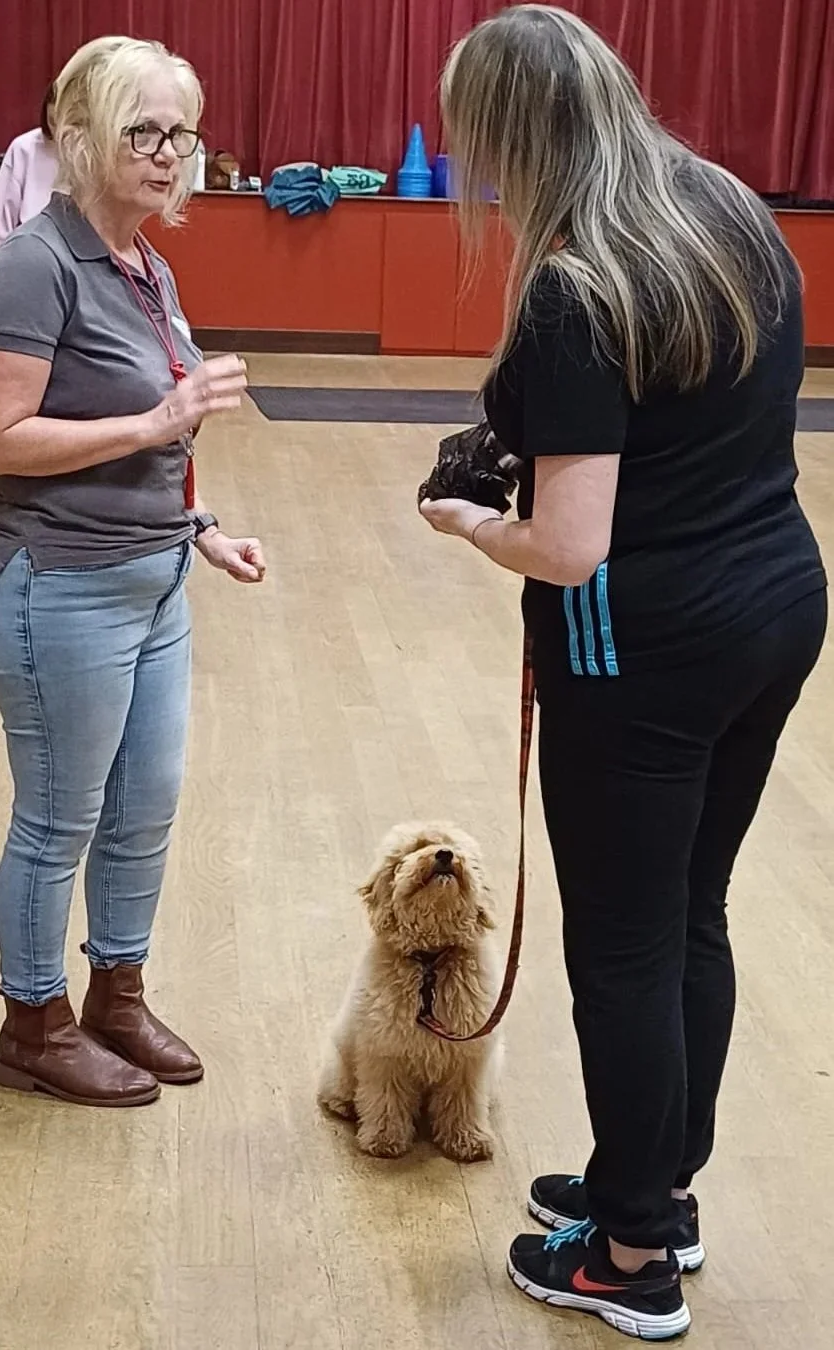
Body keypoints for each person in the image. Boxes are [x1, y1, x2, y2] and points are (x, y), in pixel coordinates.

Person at [421, 5, 826, 1340]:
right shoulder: (723, 204)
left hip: (643, 647)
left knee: (627, 945)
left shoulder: (574, 288)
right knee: (688, 912)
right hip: (776, 601)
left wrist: (469, 518)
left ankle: (632, 1252)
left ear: (511, 136)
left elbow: (569, 544)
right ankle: (655, 1185)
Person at [0, 35, 265, 1110]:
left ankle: (117, 997)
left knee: (144, 807)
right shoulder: (34, 265)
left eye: (180, 132)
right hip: (55, 587)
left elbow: (154, 448)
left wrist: (200, 529)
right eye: (142, 130)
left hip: (152, 580)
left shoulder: (145, 263)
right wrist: (160, 416)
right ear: (77, 139)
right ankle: (34, 1023)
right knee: (58, 816)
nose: (168, 153)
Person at [0, 82, 59, 258]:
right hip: (28, 255)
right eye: (53, 121)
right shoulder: (24, 148)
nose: (59, 130)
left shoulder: (94, 151)